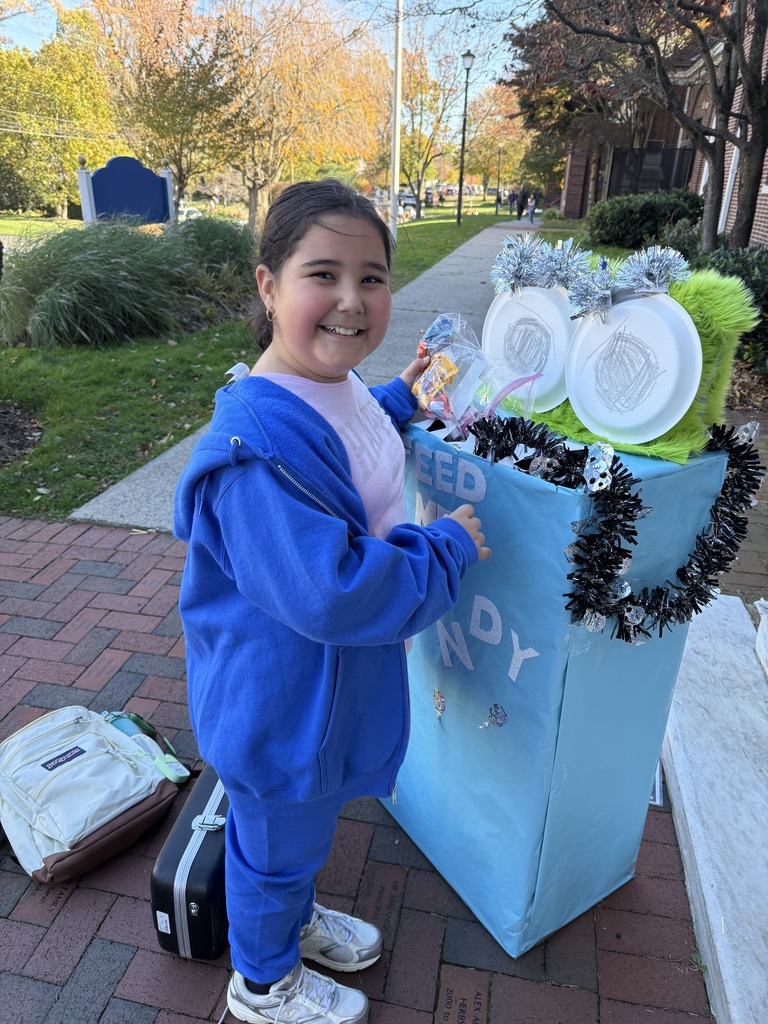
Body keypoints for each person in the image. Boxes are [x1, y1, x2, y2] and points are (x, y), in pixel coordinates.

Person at [173, 178, 490, 1024]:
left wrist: (402, 397)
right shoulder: (254, 455)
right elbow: (334, 591)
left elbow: (349, 430)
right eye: (324, 274)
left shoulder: (331, 386)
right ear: (269, 285)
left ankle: (289, 917)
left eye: (374, 277)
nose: (353, 300)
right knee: (274, 851)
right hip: (282, 707)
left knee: (295, 842)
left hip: (316, 696)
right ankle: (263, 985)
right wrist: (446, 547)